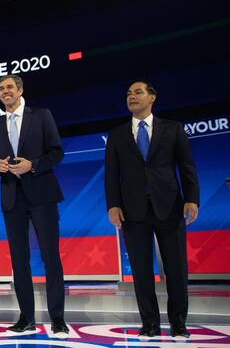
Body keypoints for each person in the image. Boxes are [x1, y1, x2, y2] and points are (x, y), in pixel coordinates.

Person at [104, 81, 199, 338]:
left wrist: (192, 198)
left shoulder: (173, 129)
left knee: (176, 269)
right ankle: (150, 323)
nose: (132, 96)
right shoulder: (117, 135)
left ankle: (178, 323)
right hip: (132, 211)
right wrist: (113, 204)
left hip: (170, 208)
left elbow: (187, 167)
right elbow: (112, 175)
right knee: (141, 270)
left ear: (152, 97)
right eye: (128, 94)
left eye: (138, 92)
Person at [0, 75, 68, 335]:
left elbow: (56, 152)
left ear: (20, 90)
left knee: (50, 256)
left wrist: (32, 164)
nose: (5, 91)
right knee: (19, 260)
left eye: (9, 87)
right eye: (1, 89)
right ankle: (26, 318)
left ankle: (57, 318)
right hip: (12, 199)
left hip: (42, 194)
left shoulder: (41, 115)